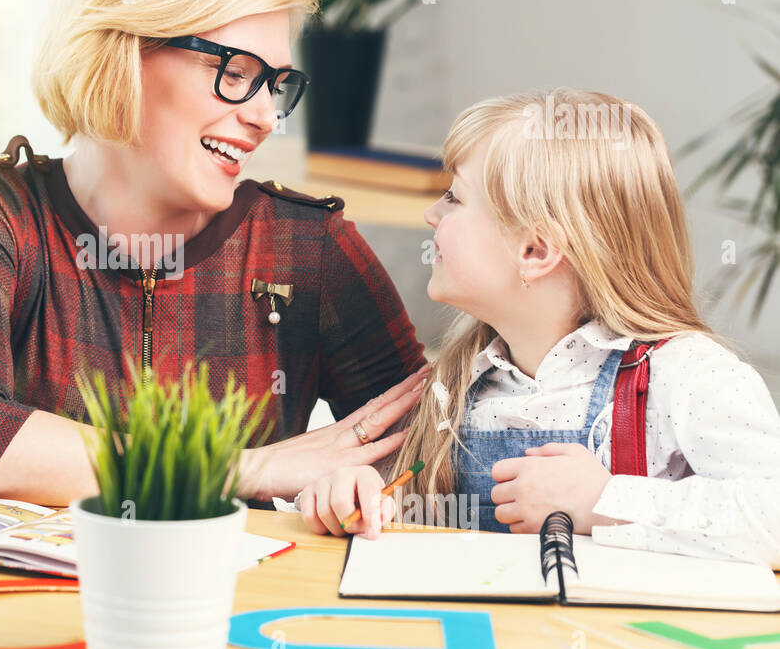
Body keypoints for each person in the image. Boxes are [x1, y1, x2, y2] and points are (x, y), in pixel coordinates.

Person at [0, 0, 429, 507]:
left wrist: (363, 490)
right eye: (236, 72)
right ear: (124, 54)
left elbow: (420, 451)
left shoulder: (307, 248)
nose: (265, 117)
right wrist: (241, 470)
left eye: (276, 86)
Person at [299, 89, 780, 568]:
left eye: (454, 198)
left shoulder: (687, 375)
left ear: (535, 252)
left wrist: (605, 503)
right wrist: (350, 496)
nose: (432, 215)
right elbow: (397, 508)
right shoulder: (455, 383)